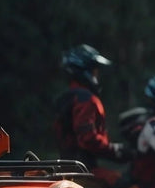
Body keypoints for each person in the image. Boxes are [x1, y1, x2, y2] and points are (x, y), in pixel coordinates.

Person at [53, 44, 131, 173]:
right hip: (83, 169)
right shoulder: (85, 99)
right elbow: (88, 139)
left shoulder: (66, 98)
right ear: (85, 71)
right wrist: (117, 150)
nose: (96, 75)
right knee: (121, 185)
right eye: (94, 70)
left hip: (69, 166)